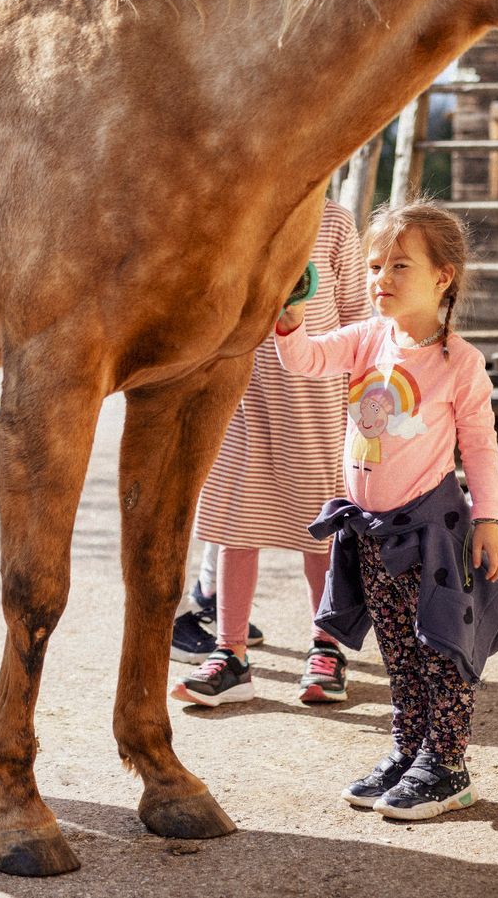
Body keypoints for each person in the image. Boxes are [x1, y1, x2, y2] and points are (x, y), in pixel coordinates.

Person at [273, 201, 498, 820]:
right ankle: (410, 749)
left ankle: (448, 766)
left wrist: (489, 518)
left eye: (399, 266)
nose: (381, 277)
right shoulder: (366, 338)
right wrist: (290, 317)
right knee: (397, 651)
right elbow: (304, 360)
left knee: (440, 648)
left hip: (432, 533)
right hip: (370, 534)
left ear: (443, 277)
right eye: (374, 265)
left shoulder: (459, 362)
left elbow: (481, 446)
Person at [172, 197, 371, 706]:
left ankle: (326, 648)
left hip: (317, 400)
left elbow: (357, 316)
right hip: (241, 393)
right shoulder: (236, 210)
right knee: (236, 525)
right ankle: (230, 654)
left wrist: (367, 402)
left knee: (321, 533)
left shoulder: (332, 222)